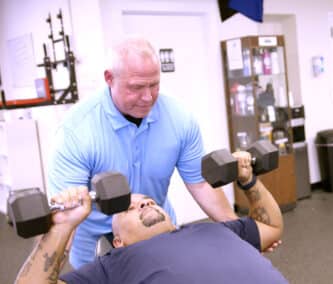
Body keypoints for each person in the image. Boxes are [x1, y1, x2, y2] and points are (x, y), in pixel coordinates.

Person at [46, 36, 238, 268]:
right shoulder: (75, 131)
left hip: (158, 235)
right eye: (136, 87)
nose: (148, 97)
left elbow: (200, 184)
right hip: (98, 249)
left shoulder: (179, 118)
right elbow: (67, 217)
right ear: (109, 78)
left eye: (154, 85)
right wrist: (47, 271)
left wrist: (241, 237)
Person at [16, 152, 287, 284]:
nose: (142, 201)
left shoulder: (214, 230)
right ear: (118, 241)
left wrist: (248, 180)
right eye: (127, 208)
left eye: (148, 200)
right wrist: (60, 229)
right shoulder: (112, 266)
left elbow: (272, 226)